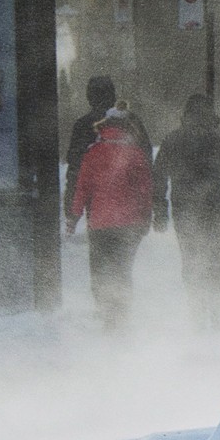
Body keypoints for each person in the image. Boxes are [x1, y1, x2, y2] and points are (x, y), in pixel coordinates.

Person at [153, 93, 220, 329]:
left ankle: (197, 315)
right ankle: (218, 315)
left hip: (185, 212)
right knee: (216, 263)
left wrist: (160, 209)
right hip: (216, 210)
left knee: (191, 263)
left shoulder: (174, 139)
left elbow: (158, 177)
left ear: (185, 115)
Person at [66, 106, 154, 331]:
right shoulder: (135, 153)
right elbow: (144, 190)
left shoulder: (93, 152)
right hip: (129, 224)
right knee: (122, 269)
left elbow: (82, 188)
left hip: (100, 224)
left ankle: (107, 313)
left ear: (104, 126)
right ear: (127, 128)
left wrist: (74, 217)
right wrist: (146, 217)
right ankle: (121, 314)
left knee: (100, 269)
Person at [64, 78, 151, 218]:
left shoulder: (82, 125)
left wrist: (71, 207)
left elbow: (75, 169)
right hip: (130, 203)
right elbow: (146, 158)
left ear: (89, 97)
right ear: (113, 96)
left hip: (97, 207)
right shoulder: (132, 121)